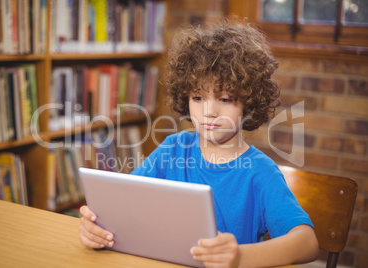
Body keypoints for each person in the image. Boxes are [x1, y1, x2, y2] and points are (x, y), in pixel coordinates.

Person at [79, 19, 319, 267]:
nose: (209, 111)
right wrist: (96, 225)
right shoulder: (173, 148)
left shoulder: (260, 173)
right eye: (198, 97)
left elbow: (307, 243)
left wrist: (240, 257)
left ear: (249, 103)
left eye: (225, 99)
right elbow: (124, 202)